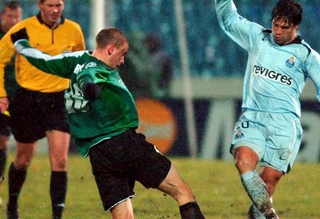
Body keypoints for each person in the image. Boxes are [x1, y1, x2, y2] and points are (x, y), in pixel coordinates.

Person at [10, 27, 206, 219]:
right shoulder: (97, 68)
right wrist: (89, 88)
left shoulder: (75, 60)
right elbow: (90, 77)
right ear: (111, 49)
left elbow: (43, 59)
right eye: (122, 54)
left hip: (98, 154)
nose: (122, 61)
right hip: (124, 144)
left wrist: (21, 44)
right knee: (183, 193)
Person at [215, 0, 320, 218]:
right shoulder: (258, 37)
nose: (278, 31)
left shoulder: (307, 56)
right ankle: (270, 215)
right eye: (275, 24)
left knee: (269, 182)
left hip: (285, 123)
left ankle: (259, 214)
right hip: (253, 115)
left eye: (284, 27)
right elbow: (229, 20)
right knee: (243, 161)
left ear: (296, 27)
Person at [0, 0, 85, 219]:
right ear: (40, 5)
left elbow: (78, 63)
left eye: (59, 5)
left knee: (60, 159)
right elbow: (0, 57)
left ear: (63, 5)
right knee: (23, 158)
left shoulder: (74, 30)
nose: (55, 10)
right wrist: (1, 94)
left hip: (58, 99)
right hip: (28, 99)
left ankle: (57, 216)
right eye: (50, 5)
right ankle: (12, 206)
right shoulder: (22, 29)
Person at [0, 0, 22, 207]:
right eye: (10, 16)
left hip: (19, 98)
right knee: (2, 141)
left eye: (17, 17)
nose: (14, 21)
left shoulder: (23, 39)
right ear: (2, 17)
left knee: (20, 149)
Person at [145, 34, 173, 98]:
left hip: (160, 88)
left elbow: (168, 74)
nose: (149, 45)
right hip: (147, 91)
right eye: (148, 43)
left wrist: (164, 86)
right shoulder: (144, 57)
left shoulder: (163, 56)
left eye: (152, 42)